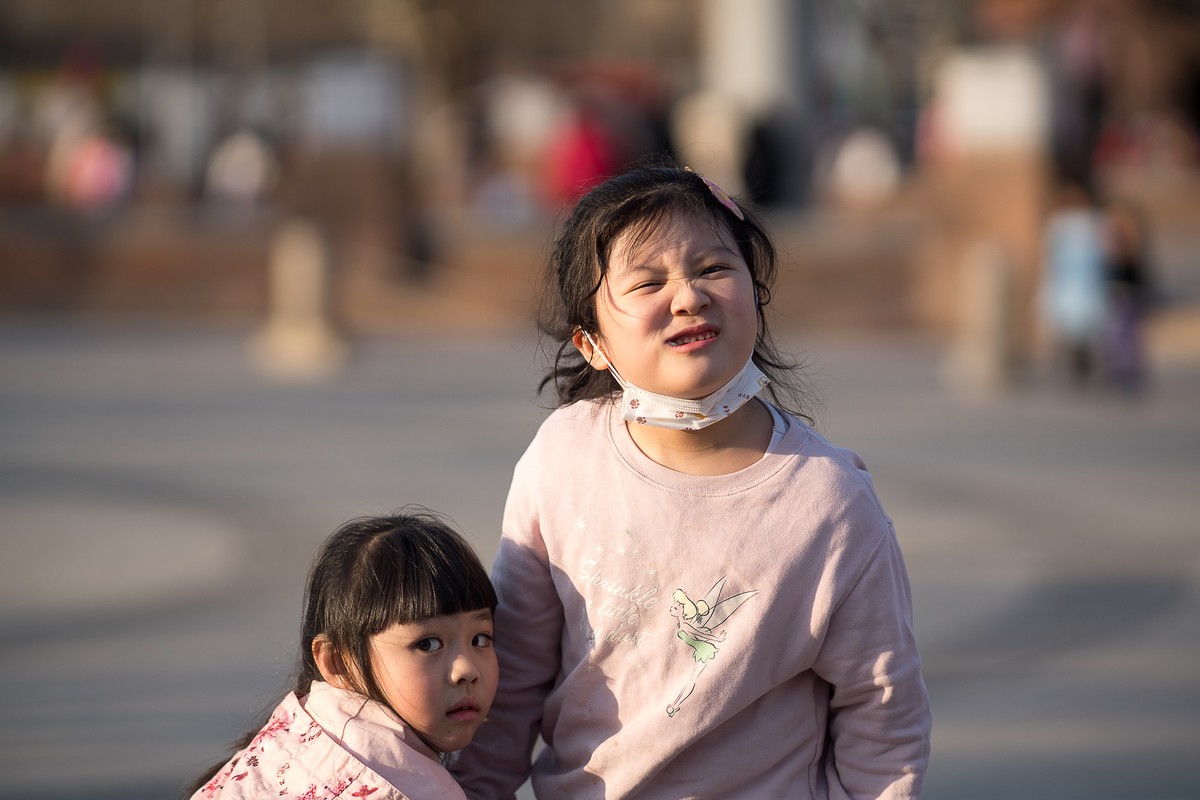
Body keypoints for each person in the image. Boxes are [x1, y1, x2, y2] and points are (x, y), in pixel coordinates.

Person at [451, 163, 932, 798]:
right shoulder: (561, 460)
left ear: (757, 296)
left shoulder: (830, 502)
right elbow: (511, 679)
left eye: (713, 269)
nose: (688, 298)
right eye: (647, 282)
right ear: (592, 344)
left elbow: (882, 713)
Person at [189, 510, 498, 800]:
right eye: (427, 644)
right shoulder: (400, 788)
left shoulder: (298, 734)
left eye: (480, 638)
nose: (467, 670)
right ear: (338, 662)